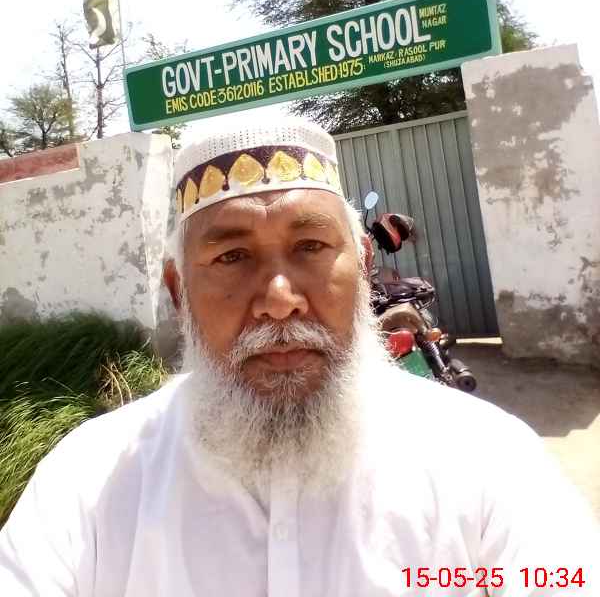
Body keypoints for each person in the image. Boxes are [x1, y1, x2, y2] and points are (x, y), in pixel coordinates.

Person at [0, 118, 598, 596]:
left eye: (310, 246)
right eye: (232, 257)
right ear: (179, 294)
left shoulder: (486, 456)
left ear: (363, 267)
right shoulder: (88, 480)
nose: (279, 299)